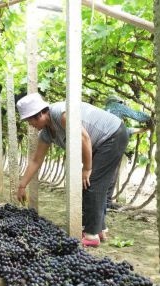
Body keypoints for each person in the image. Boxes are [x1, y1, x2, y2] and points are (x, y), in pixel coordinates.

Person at [15, 92, 129, 248]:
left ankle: (92, 235)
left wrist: (87, 168)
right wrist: (22, 185)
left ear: (39, 114)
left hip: (113, 135)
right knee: (93, 185)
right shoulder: (47, 133)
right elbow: (36, 160)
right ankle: (100, 229)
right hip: (100, 143)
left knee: (92, 183)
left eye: (30, 120)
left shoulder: (61, 114)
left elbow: (84, 138)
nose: (30, 124)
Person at [104, 95, 152, 211]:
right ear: (119, 102)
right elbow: (138, 116)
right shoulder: (117, 106)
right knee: (112, 174)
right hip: (114, 144)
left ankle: (105, 202)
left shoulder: (105, 111)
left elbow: (125, 130)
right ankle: (106, 203)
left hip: (103, 144)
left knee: (107, 173)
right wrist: (150, 118)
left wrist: (143, 130)